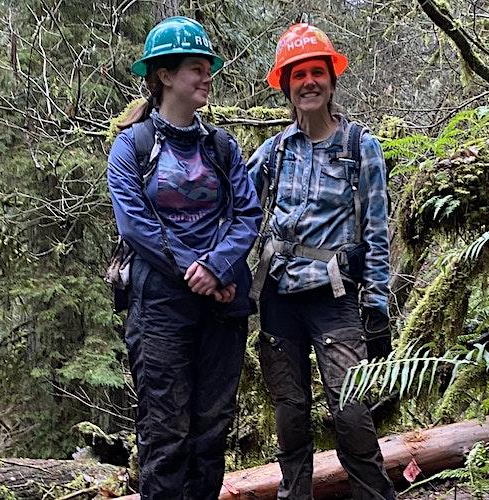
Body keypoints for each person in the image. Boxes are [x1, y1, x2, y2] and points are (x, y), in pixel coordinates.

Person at [106, 16, 261, 500]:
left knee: (211, 432)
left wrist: (216, 268)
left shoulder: (221, 147)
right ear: (165, 76)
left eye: (207, 67)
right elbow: (136, 226)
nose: (206, 76)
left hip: (221, 304)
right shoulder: (132, 147)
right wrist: (199, 270)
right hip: (159, 310)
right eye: (196, 67)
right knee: (165, 433)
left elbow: (247, 213)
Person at [246, 23, 396, 500]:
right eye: (298, 75)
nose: (308, 82)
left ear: (332, 81)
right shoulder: (273, 151)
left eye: (317, 72)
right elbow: (235, 208)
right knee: (290, 414)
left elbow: (375, 230)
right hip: (277, 296)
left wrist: (376, 305)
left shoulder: (359, 147)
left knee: (350, 412)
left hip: (334, 297)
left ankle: (374, 495)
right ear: (286, 86)